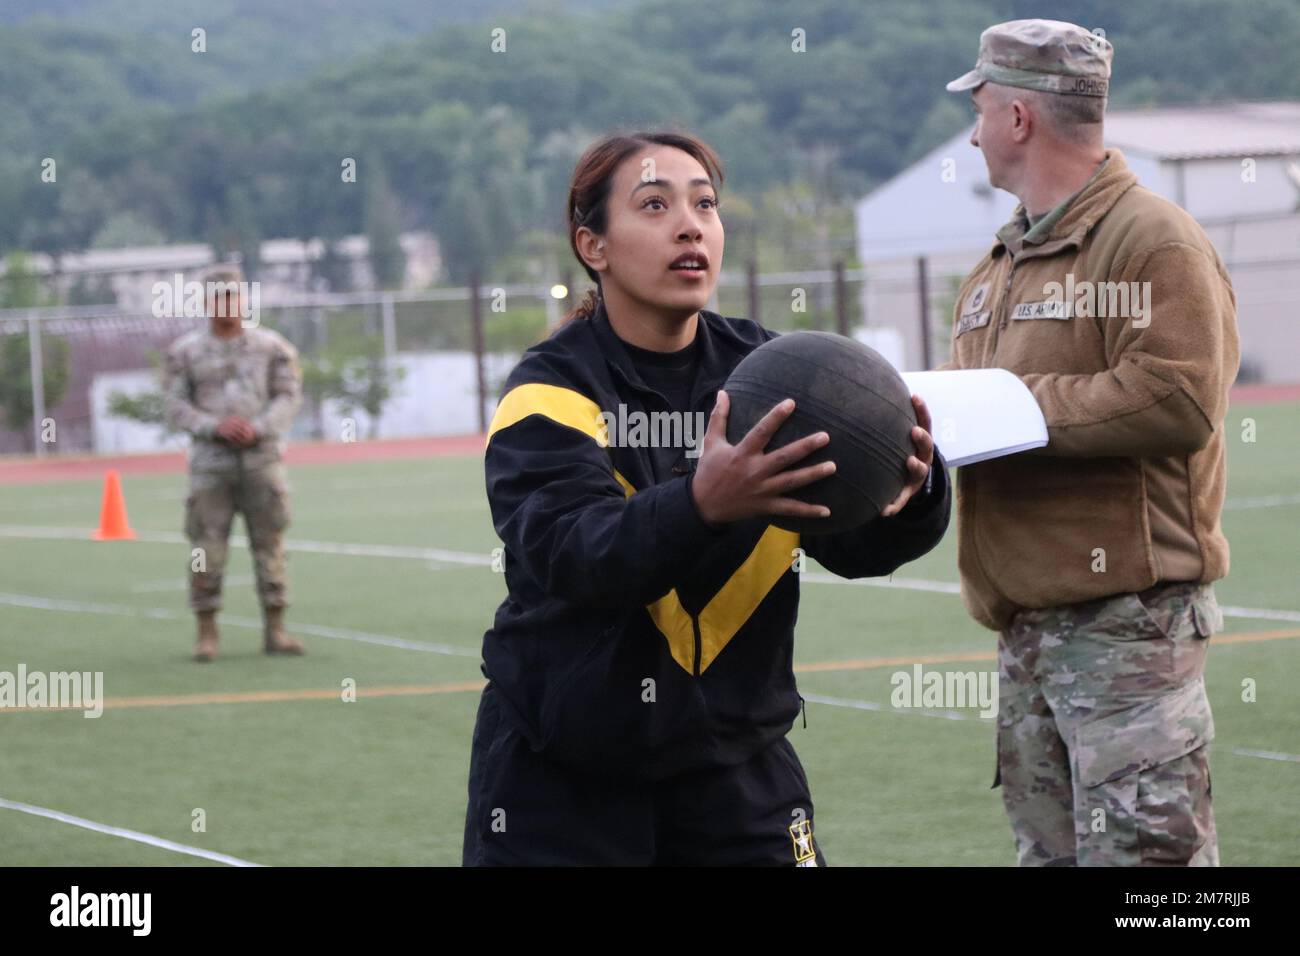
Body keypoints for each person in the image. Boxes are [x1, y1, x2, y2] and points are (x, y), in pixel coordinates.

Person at [462, 130, 951, 866]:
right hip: (562, 783)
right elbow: (575, 554)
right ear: (592, 246)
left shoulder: (779, 373)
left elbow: (851, 544)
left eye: (705, 205)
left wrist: (910, 492)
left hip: (739, 777)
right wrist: (703, 503)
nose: (691, 225)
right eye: (654, 206)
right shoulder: (549, 393)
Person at [943, 19, 1239, 865]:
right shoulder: (998, 264)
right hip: (1028, 635)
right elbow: (969, 417)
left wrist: (1007, 404)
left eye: (982, 107)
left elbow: (1179, 398)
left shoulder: (1154, 240)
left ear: (1020, 118)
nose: (972, 131)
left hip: (1126, 634)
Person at [164, 263, 306, 663]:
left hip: (261, 460)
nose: (228, 304)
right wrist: (212, 426)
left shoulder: (271, 347)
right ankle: (207, 633)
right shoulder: (186, 352)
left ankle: (275, 629)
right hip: (211, 465)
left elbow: (289, 394)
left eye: (234, 295)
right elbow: (175, 404)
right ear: (206, 303)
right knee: (206, 548)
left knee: (271, 544)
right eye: (219, 297)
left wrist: (259, 427)